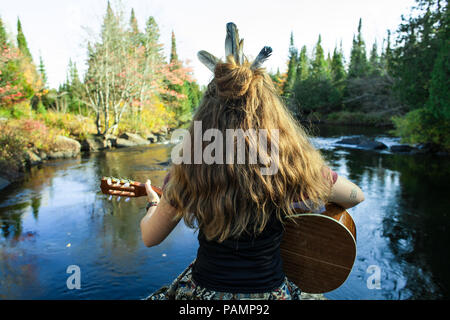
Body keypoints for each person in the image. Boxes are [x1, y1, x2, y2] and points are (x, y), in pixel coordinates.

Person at [140, 23, 364, 300]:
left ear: (206, 116)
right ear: (271, 113)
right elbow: (355, 197)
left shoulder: (188, 169)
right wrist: (296, 208)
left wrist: (153, 203)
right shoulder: (293, 166)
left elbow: (150, 238)